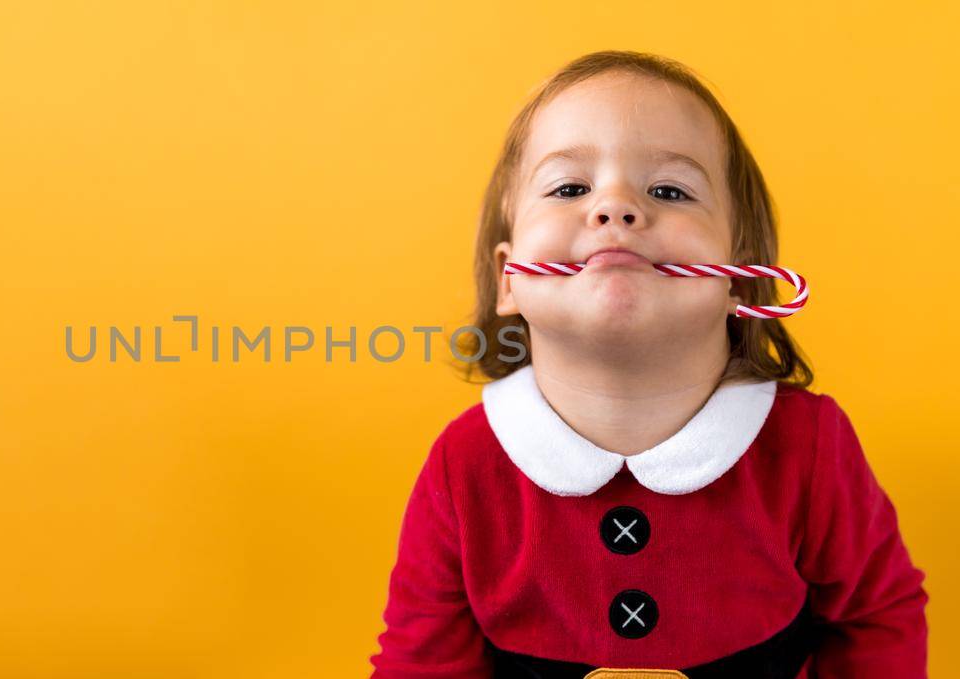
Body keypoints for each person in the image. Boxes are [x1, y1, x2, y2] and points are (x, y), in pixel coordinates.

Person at [368, 51, 928, 679]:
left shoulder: (809, 447)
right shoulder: (463, 465)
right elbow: (420, 664)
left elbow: (878, 621)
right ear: (509, 280)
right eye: (570, 188)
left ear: (738, 281)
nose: (615, 209)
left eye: (669, 190)